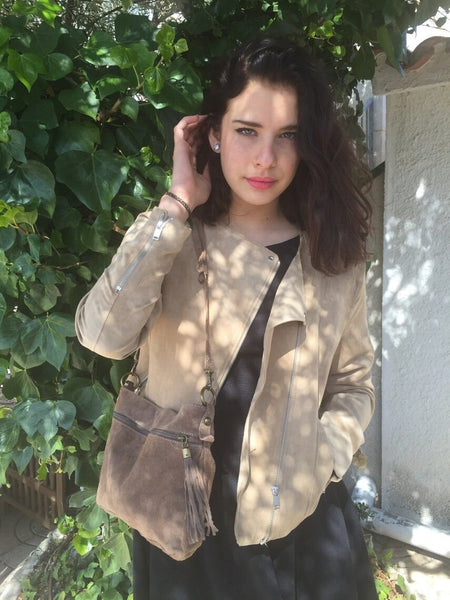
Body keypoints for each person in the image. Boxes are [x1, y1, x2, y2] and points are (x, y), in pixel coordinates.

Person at [76, 37, 377, 600]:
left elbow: (354, 383)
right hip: (184, 522)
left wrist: (324, 457)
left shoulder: (333, 259)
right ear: (212, 134)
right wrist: (175, 203)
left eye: (287, 135)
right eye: (247, 131)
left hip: (300, 526)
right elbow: (101, 336)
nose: (266, 158)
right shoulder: (175, 240)